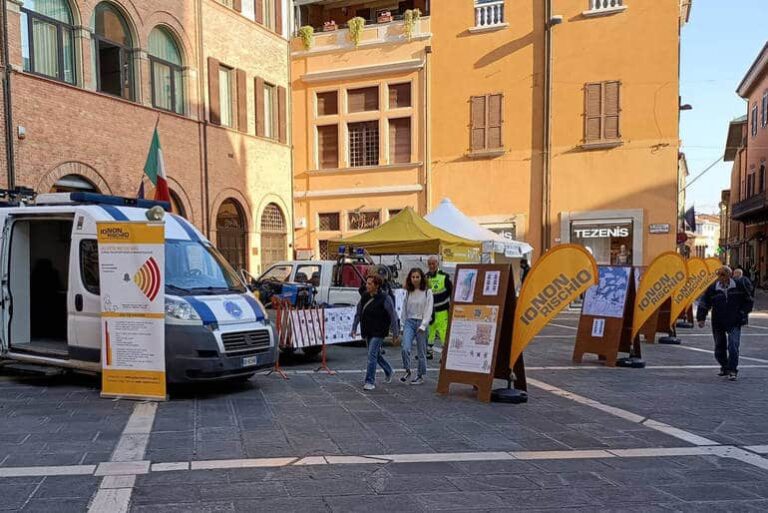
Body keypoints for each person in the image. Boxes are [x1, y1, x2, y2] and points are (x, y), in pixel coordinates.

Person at [696, 266, 754, 381]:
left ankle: (732, 370)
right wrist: (701, 318)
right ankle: (725, 366)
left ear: (729, 275)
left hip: (734, 320)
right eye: (719, 275)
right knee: (719, 347)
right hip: (718, 321)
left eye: (723, 274)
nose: (720, 277)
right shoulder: (713, 288)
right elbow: (704, 302)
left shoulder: (738, 286)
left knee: (733, 345)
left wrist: (742, 313)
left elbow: (748, 301)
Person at [352, 275, 398, 391]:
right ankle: (388, 370)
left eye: (370, 284)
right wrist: (354, 328)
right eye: (366, 283)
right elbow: (358, 313)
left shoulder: (385, 298)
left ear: (376, 286)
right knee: (375, 355)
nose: (367, 285)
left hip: (379, 331)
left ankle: (369, 381)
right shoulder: (364, 297)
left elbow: (393, 315)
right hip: (368, 329)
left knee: (371, 354)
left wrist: (395, 333)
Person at [400, 268, 434, 385]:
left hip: (421, 322)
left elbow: (429, 309)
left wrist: (424, 324)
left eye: (417, 277)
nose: (415, 279)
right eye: (413, 277)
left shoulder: (427, 292)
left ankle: (420, 375)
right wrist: (402, 324)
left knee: (421, 352)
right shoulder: (409, 291)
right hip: (409, 321)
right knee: (405, 348)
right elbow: (404, 308)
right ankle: (407, 370)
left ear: (421, 278)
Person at [426, 256, 453, 360]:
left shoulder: (444, 276)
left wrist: (451, 307)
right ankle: (429, 352)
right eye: (430, 264)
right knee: (430, 332)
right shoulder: (425, 277)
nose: (432, 266)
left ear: (438, 264)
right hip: (430, 311)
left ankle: (444, 355)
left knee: (443, 333)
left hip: (442, 310)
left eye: (434, 264)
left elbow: (452, 292)